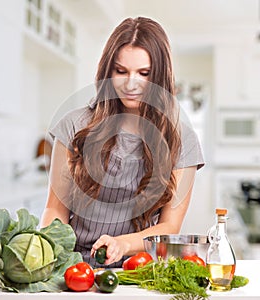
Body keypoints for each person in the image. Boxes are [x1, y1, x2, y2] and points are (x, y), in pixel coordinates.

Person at [40, 16, 204, 267]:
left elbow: (169, 226)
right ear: (108, 71)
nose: (130, 83)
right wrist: (55, 253)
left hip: (139, 267)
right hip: (75, 267)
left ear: (160, 76)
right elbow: (55, 210)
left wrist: (123, 244)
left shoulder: (182, 140)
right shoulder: (73, 126)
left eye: (144, 73)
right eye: (121, 71)